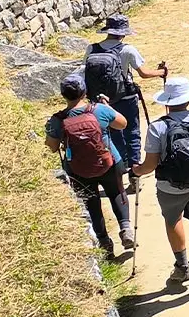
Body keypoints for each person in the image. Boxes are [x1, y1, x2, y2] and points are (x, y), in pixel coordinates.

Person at [130, 76, 189, 292]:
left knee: (173, 221)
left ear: (166, 102)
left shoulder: (158, 127)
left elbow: (150, 165)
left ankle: (182, 267)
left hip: (169, 188)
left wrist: (137, 171)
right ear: (188, 99)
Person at [45, 73, 131, 258]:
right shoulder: (99, 109)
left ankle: (104, 243)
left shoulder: (57, 120)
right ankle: (125, 229)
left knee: (92, 203)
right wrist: (107, 107)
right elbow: (122, 124)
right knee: (117, 193)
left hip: (77, 169)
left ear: (63, 95)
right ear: (84, 92)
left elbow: (52, 148)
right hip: (109, 162)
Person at [83, 14, 166, 194]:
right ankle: (134, 177)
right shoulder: (127, 50)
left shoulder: (92, 48)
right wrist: (161, 72)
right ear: (123, 33)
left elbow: (85, 74)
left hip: (101, 101)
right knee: (132, 134)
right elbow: (143, 73)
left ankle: (117, 174)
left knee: (110, 136)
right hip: (125, 99)